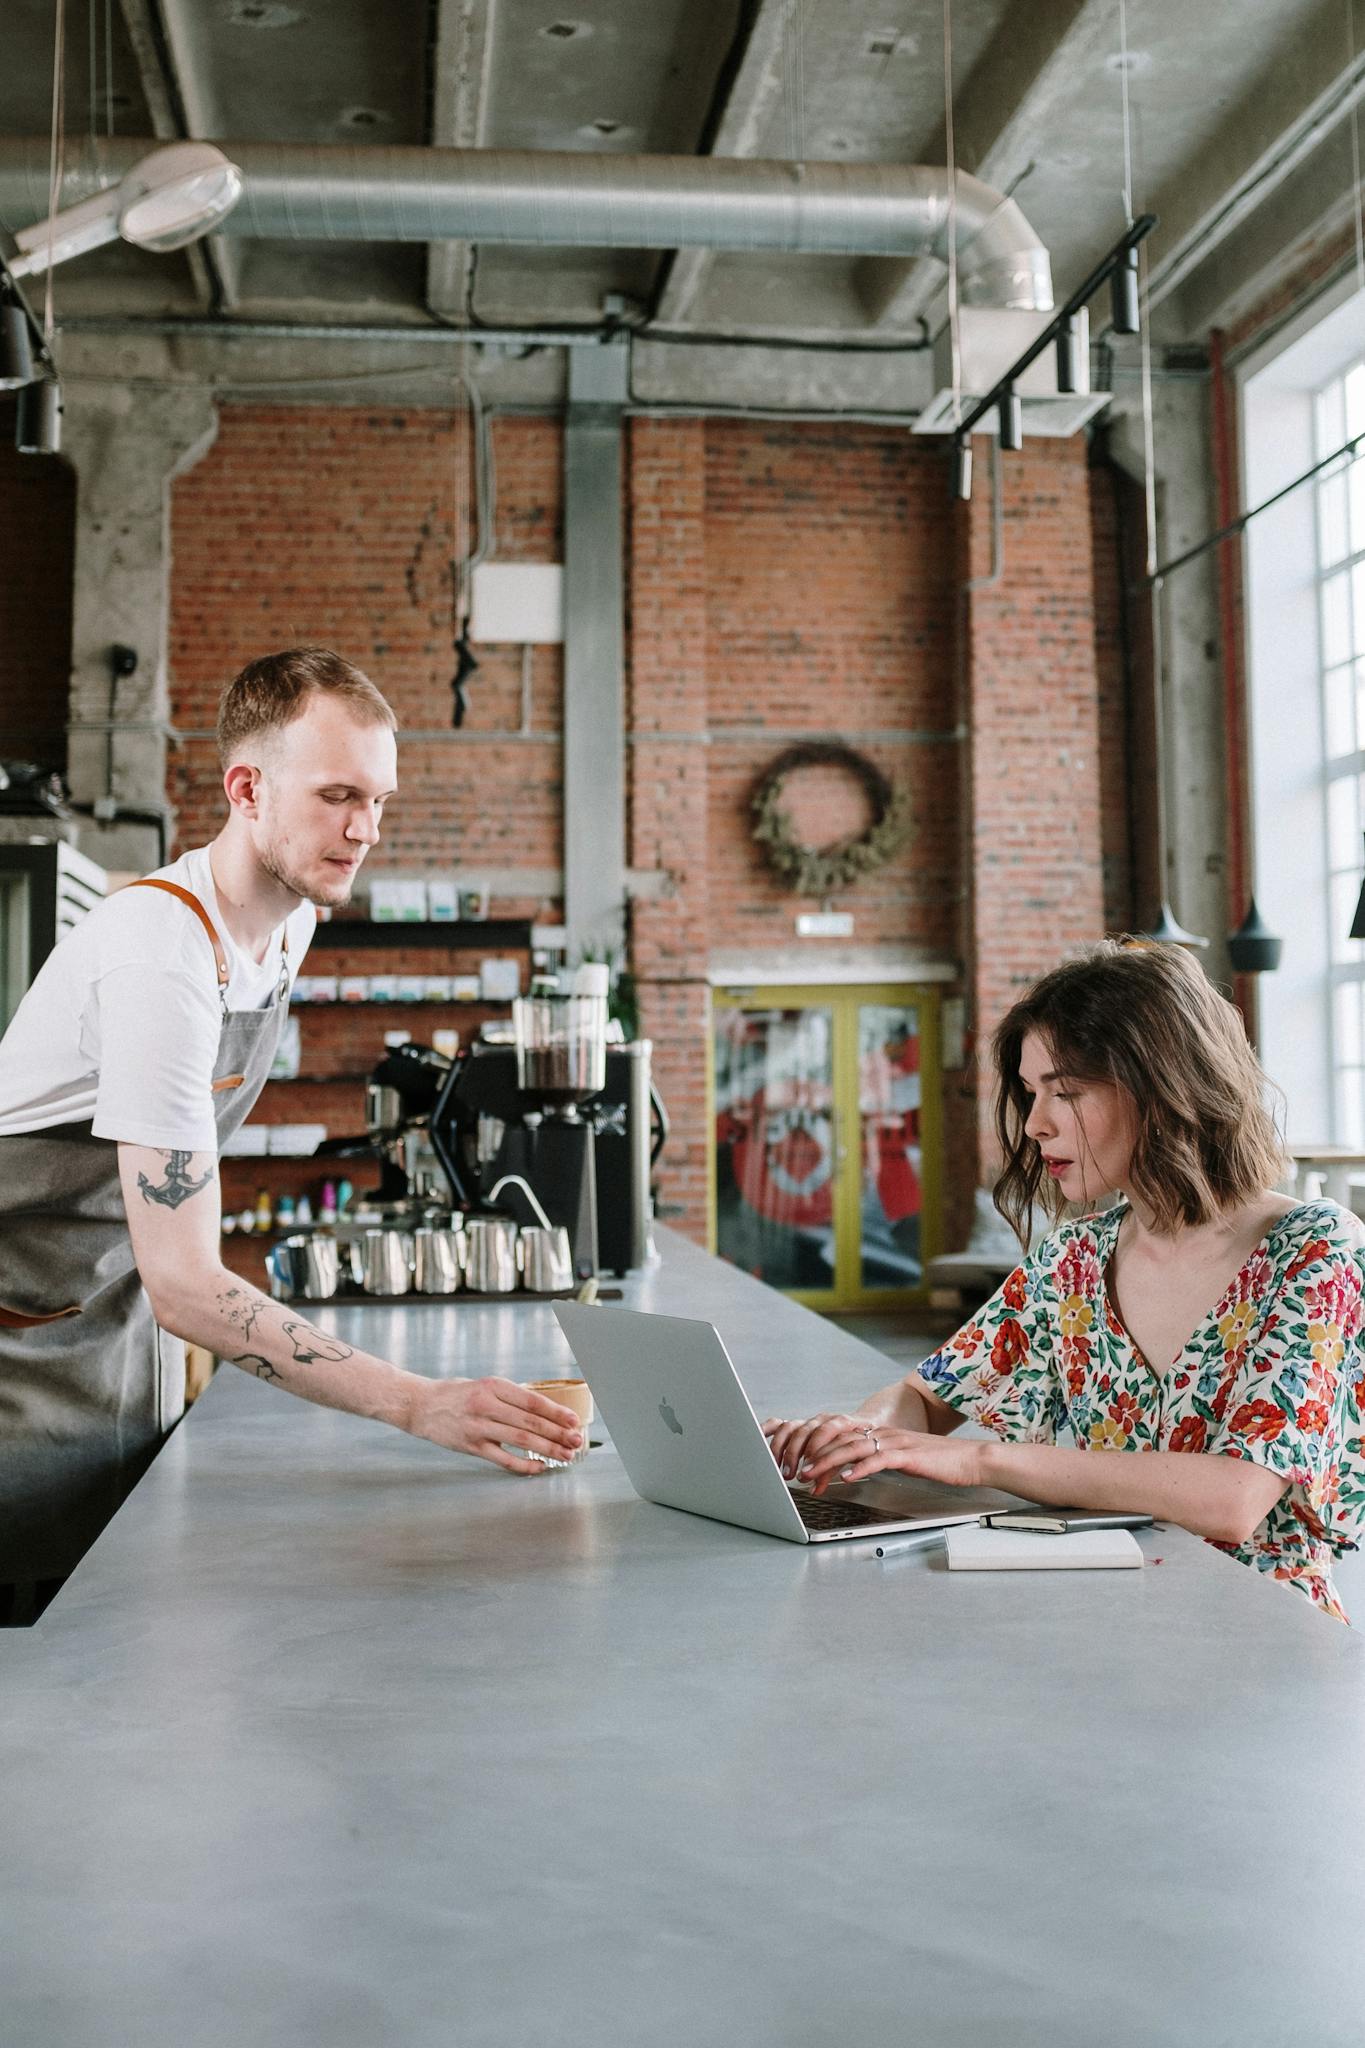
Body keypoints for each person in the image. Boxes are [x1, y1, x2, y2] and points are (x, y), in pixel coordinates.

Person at [0, 647, 582, 1619]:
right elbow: (187, 1281)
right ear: (247, 789)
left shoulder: (290, 920)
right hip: (17, 1348)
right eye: (339, 794)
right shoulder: (159, 956)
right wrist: (416, 1400)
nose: (365, 830)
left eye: (381, 800)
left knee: (112, 1628)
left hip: (104, 1319)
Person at [765, 943, 1365, 1621]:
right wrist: (861, 1433)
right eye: (1030, 1092)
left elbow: (1231, 1499)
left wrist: (980, 1461)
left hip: (1264, 1638)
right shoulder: (1073, 1259)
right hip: (1106, 1617)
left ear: (1162, 1083)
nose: (1034, 1123)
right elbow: (923, 1396)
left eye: (1066, 1091)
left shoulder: (1313, 1249)